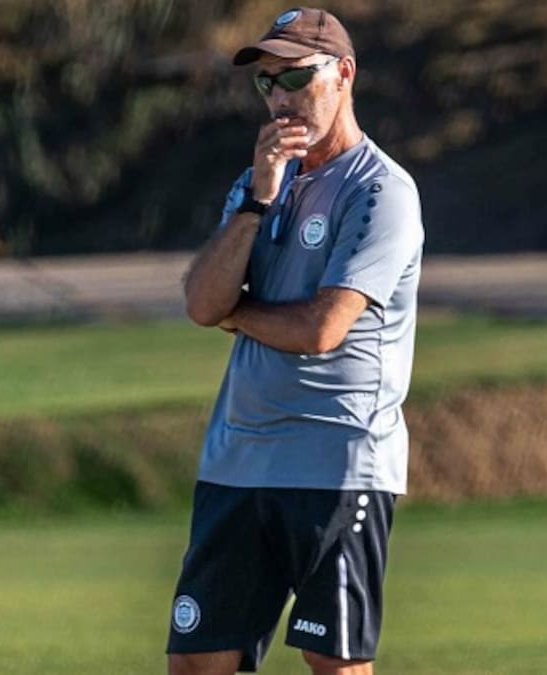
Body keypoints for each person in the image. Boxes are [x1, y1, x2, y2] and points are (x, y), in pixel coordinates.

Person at [167, 7, 424, 675]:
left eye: (296, 78)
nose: (280, 98)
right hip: (239, 459)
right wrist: (257, 199)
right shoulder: (256, 186)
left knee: (331, 662)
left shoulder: (381, 191)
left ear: (343, 74)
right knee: (199, 663)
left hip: (335, 459)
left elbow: (321, 328)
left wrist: (239, 315)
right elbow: (201, 301)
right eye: (267, 85)